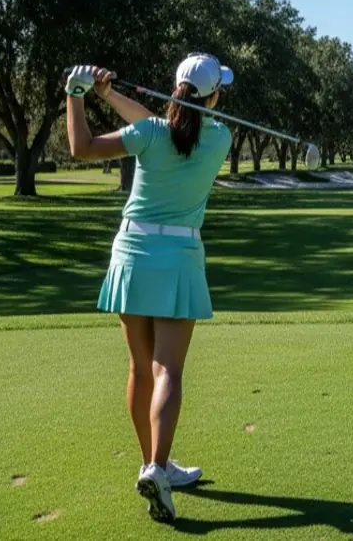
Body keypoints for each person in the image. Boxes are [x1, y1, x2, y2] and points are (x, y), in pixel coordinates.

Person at [64, 54, 235, 523]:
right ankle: (158, 468)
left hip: (133, 253)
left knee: (141, 369)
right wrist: (109, 95)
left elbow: (81, 147)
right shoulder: (220, 138)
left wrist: (77, 95)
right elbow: (166, 124)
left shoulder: (148, 134)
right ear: (213, 97)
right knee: (168, 371)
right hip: (179, 258)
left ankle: (152, 466)